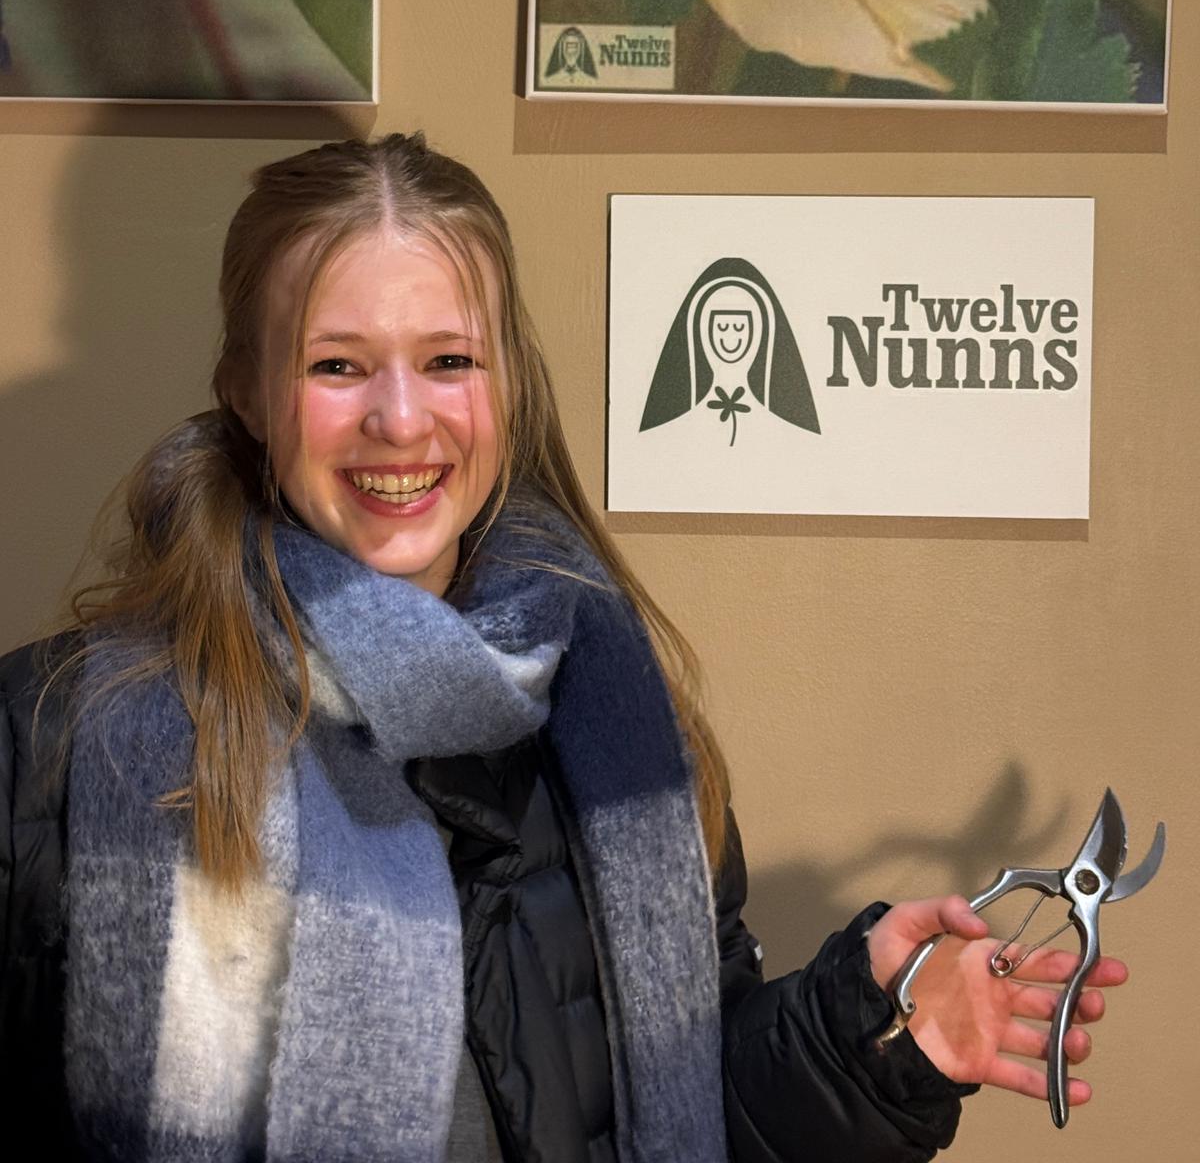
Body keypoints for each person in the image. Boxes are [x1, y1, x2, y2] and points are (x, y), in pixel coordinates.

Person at [0, 132, 1125, 1162]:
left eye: (449, 360)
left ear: (506, 381)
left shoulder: (612, 709)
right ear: (247, 390)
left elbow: (678, 1107)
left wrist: (873, 1038)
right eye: (336, 365)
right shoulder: (56, 741)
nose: (403, 420)